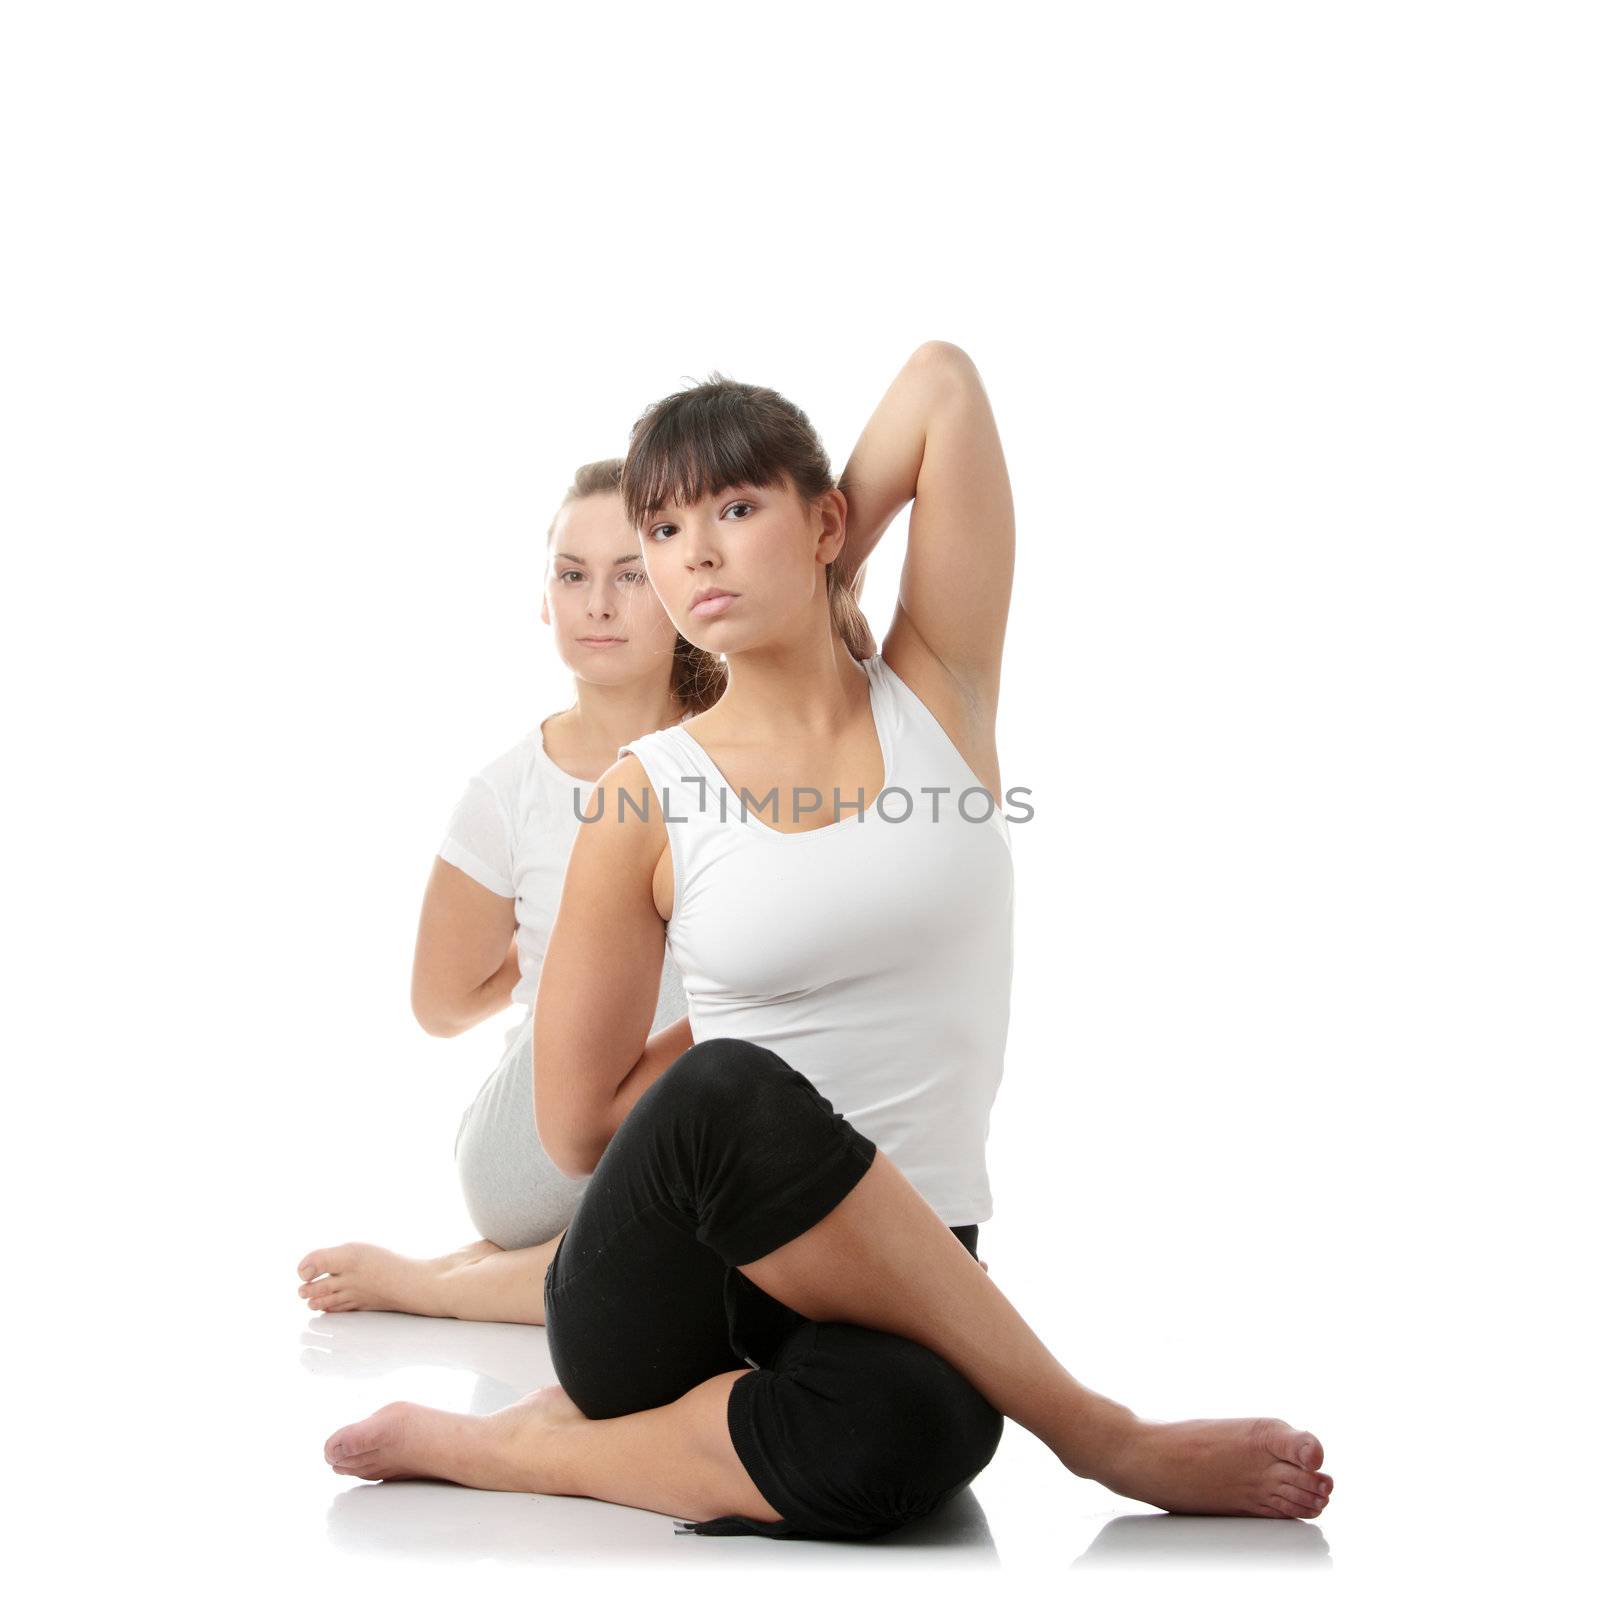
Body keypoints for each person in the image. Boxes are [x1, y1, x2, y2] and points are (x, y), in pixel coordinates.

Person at [323, 343, 1335, 1536]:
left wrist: (825, 580)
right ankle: (1103, 1435)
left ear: (827, 521)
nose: (693, 552)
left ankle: (548, 1447)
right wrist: (748, 1028)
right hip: (674, 1285)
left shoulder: (936, 700)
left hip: (908, 1272)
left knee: (930, 1436)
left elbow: (942, 387)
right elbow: (574, 1124)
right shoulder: (647, 791)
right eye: (665, 529)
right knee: (734, 1081)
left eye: (737, 508)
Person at [296, 459, 719, 1324]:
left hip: (683, 1145)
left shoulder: (743, 750)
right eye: (573, 576)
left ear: (682, 590)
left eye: (631, 575)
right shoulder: (506, 792)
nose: (598, 603)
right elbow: (440, 1004)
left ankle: (489, 1275)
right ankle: (437, 1284)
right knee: (697, 950)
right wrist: (561, 955)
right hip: (535, 1149)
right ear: (546, 600)